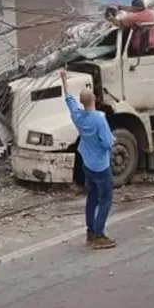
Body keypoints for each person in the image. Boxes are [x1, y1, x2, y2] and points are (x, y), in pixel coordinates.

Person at [60, 68, 116, 249]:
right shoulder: (99, 120)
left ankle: (90, 232)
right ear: (94, 99)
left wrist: (64, 80)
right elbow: (107, 143)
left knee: (91, 198)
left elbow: (68, 100)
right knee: (105, 198)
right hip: (100, 166)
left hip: (87, 164)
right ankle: (99, 235)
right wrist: (112, 140)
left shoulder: (78, 116)